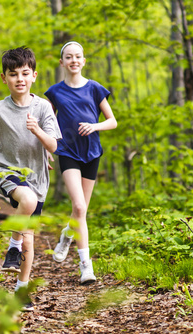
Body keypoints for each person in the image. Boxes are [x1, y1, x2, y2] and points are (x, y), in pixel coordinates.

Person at [0, 46, 62, 310]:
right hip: (7, 172)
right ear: (4, 78)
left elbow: (53, 147)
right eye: (13, 74)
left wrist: (37, 130)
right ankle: (12, 245)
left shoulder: (43, 108)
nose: (20, 79)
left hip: (37, 176)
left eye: (25, 73)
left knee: (30, 236)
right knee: (26, 199)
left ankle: (21, 289)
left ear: (34, 75)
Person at [45, 41, 117, 285]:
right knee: (79, 206)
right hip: (67, 151)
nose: (73, 60)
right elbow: (49, 124)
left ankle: (67, 233)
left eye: (78, 56)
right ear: (62, 62)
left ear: (83, 61)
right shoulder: (55, 92)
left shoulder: (95, 88)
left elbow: (112, 121)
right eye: (68, 57)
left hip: (92, 152)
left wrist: (95, 125)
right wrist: (47, 152)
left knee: (81, 210)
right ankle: (86, 266)